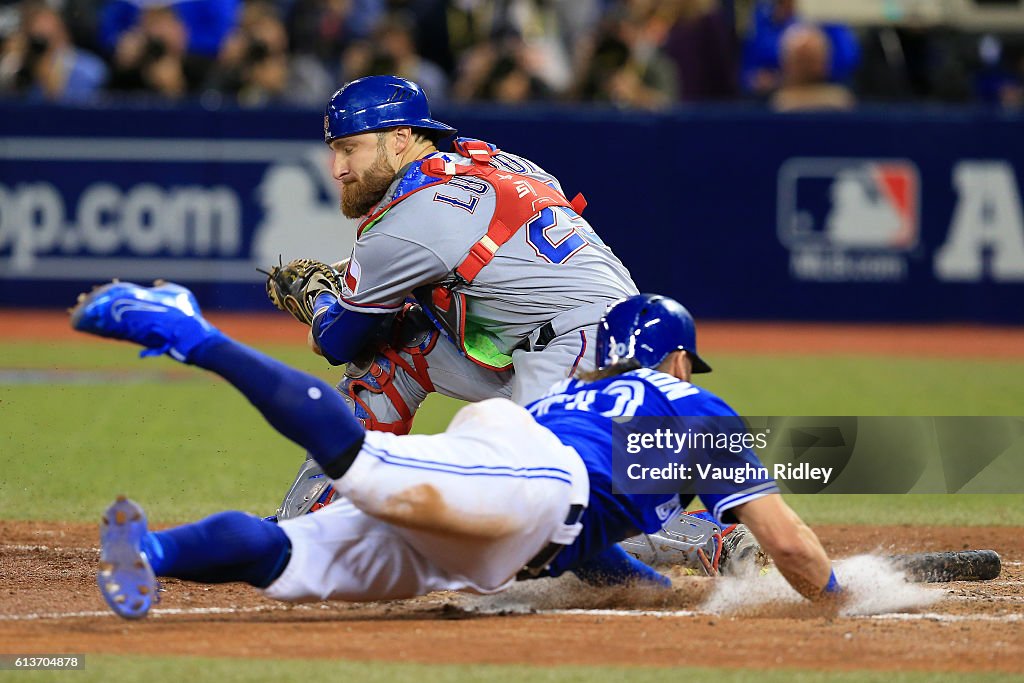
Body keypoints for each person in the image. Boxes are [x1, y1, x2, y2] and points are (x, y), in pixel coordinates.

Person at [70, 282, 841, 619]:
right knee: (361, 463)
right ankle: (190, 332)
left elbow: (581, 542)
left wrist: (642, 584)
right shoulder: (696, 408)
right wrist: (845, 600)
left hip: (506, 521)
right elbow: (786, 540)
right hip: (529, 482)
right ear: (678, 358)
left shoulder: (577, 399)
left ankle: (149, 552)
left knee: (293, 556)